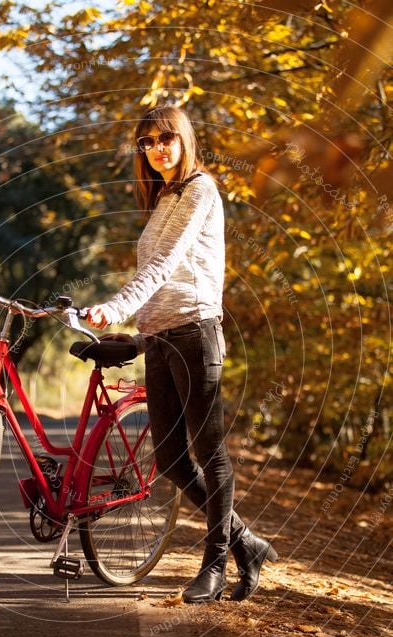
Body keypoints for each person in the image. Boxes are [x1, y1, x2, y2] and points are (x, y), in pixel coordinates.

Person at [86, 104, 277, 603]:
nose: (155, 150)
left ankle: (214, 565)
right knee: (171, 459)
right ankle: (245, 542)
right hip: (160, 339)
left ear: (184, 138)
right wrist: (136, 330)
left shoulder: (200, 190)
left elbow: (168, 266)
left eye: (164, 138)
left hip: (196, 334)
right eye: (146, 143)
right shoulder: (162, 199)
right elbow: (156, 278)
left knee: (210, 454)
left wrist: (116, 306)